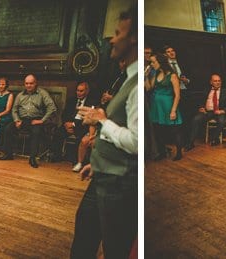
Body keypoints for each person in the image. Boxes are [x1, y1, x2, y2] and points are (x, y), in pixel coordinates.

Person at [70, 6, 138, 258]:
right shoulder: (127, 79)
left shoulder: (137, 85)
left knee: (115, 249)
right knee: (83, 242)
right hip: (103, 176)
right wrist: (99, 164)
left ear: (133, 38)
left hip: (120, 186)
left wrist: (102, 120)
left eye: (118, 32)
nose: (112, 38)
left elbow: (138, 143)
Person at [0, 74, 57, 168]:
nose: (29, 85)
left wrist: (42, 120)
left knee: (36, 132)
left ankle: (32, 158)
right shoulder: (20, 95)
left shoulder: (42, 93)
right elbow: (14, 109)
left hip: (35, 120)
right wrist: (17, 120)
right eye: (26, 83)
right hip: (22, 120)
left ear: (35, 83)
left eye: (31, 83)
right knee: (8, 128)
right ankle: (8, 154)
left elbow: (52, 108)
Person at [51, 82, 97, 170]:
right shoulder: (71, 100)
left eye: (81, 91)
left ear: (87, 91)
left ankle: (77, 161)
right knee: (58, 133)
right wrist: (66, 124)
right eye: (77, 91)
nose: (78, 93)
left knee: (80, 137)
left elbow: (88, 119)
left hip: (82, 126)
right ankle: (57, 155)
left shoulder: (91, 102)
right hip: (68, 124)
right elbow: (64, 114)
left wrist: (73, 125)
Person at [147, 53, 184, 160]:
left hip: (168, 105)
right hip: (156, 106)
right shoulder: (156, 74)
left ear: (160, 62)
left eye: (153, 62)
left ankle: (179, 153)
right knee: (159, 130)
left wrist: (173, 111)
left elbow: (177, 95)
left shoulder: (172, 75)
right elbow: (149, 88)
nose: (152, 64)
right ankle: (162, 152)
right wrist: (145, 76)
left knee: (174, 129)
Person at [190, 74, 226, 147]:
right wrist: (201, 107)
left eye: (219, 81)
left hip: (219, 112)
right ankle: (190, 142)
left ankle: (214, 139)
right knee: (196, 119)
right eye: (215, 81)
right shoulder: (206, 90)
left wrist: (222, 111)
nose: (218, 82)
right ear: (211, 82)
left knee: (221, 121)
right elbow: (201, 101)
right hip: (208, 112)